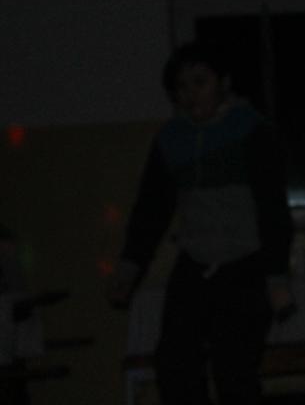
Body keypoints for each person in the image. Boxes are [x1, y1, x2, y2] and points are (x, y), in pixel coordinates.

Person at [108, 42, 294, 405]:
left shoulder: (252, 131)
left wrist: (276, 279)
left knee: (234, 370)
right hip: (195, 264)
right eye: (181, 87)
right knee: (174, 364)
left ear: (223, 83)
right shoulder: (171, 139)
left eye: (199, 83)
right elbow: (151, 209)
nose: (190, 95)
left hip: (245, 265)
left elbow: (273, 210)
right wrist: (128, 269)